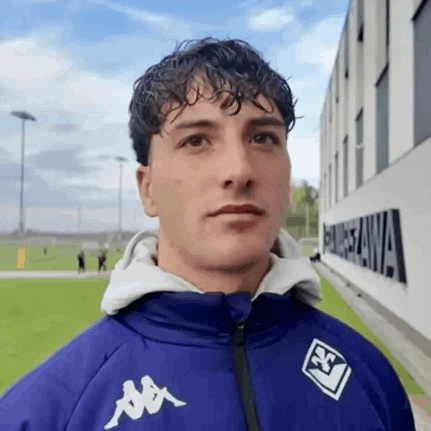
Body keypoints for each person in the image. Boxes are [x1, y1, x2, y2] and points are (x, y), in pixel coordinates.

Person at [0, 37, 416, 430]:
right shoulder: (43, 411)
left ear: (287, 183)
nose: (238, 170)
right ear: (148, 189)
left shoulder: (370, 375)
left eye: (263, 137)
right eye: (196, 141)